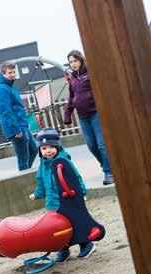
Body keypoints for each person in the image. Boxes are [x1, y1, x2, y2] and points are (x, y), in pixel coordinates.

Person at [29, 128, 96, 262]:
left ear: (58, 146)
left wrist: (82, 193)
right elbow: (41, 184)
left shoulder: (64, 162)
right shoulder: (42, 167)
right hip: (52, 204)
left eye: (51, 147)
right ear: (40, 151)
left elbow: (76, 178)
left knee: (75, 223)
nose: (48, 151)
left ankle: (86, 244)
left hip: (68, 200)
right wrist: (37, 194)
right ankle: (63, 250)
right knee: (57, 227)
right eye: (44, 148)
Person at [63, 50, 114, 185]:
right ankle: (109, 166)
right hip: (83, 117)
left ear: (81, 60)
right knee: (92, 146)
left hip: (96, 114)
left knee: (101, 145)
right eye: (71, 62)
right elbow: (71, 98)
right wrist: (67, 114)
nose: (73, 64)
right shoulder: (72, 79)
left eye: (75, 61)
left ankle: (109, 173)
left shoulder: (90, 74)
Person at [0, 61, 38, 171]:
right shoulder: (2, 89)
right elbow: (5, 111)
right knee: (23, 158)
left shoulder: (10, 86)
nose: (12, 75)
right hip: (16, 128)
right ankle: (25, 177)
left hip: (22, 125)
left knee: (34, 150)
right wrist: (15, 129)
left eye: (13, 72)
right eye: (9, 73)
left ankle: (26, 172)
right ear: (3, 74)